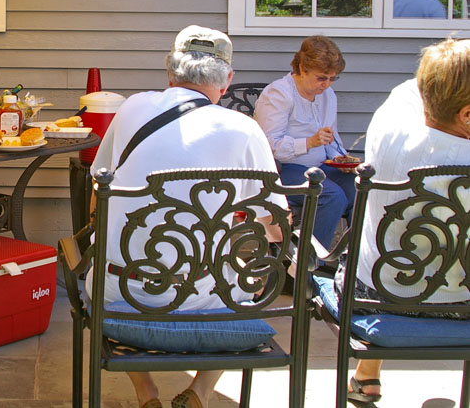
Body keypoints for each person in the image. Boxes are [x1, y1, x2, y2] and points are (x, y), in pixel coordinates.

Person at [89, 25, 287, 408]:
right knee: (243, 270)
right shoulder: (244, 129)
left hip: (118, 297)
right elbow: (276, 227)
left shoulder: (131, 108)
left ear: (169, 72)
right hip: (204, 300)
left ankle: (147, 394)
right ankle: (200, 392)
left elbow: (99, 192)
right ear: (227, 81)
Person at [338, 38, 470, 406]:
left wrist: (448, 68)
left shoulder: (390, 127)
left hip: (380, 296)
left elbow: (409, 89)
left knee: (385, 248)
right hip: (462, 303)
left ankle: (367, 375)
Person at [254, 35, 354, 251]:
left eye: (332, 78)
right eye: (321, 78)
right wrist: (308, 143)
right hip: (281, 170)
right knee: (331, 196)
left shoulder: (328, 95)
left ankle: (352, 260)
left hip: (320, 166)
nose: (326, 84)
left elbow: (331, 136)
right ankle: (307, 267)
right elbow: (268, 145)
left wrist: (342, 159)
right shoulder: (280, 93)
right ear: (302, 68)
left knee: (359, 188)